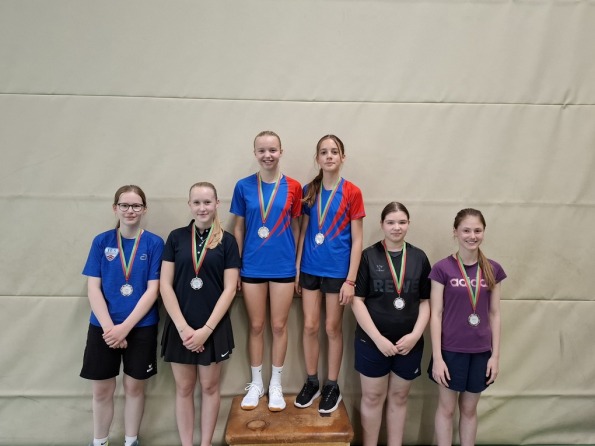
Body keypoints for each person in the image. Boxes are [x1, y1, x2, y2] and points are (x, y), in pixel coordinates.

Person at [81, 185, 164, 446]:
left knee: (134, 388)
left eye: (136, 205)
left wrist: (124, 329)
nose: (130, 210)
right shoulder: (102, 241)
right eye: (125, 205)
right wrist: (110, 329)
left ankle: (131, 441)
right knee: (102, 390)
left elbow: (153, 290)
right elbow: (93, 288)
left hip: (141, 327)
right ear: (115, 208)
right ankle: (100, 442)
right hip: (103, 327)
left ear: (144, 209)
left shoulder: (154, 243)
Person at [160, 182, 240, 446]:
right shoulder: (176, 238)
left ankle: (206, 443)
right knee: (184, 388)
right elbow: (165, 286)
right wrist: (183, 328)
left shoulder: (227, 241)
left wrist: (206, 330)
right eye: (197, 202)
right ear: (189, 205)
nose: (202, 207)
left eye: (207, 202)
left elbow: (230, 289)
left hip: (212, 326)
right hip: (180, 326)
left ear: (217, 204)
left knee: (209, 387)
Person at [230, 130, 302, 412]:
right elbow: (238, 227)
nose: (267, 155)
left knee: (279, 326)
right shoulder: (243, 186)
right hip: (252, 265)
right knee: (256, 326)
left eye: (272, 150)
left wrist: (296, 265)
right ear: (255, 153)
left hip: (283, 266)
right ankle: (257, 383)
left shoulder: (294, 187)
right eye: (262, 150)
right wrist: (237, 265)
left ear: (281, 152)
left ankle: (276, 384)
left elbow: (297, 227)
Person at [294, 134, 365, 413]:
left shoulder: (352, 192)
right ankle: (312, 381)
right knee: (310, 326)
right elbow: (303, 232)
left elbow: (357, 240)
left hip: (338, 271)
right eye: (324, 152)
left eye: (334, 151)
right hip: (310, 268)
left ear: (342, 157)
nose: (329, 156)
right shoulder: (309, 190)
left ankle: (332, 385)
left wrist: (351, 279)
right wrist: (298, 268)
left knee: (332, 328)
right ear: (317, 158)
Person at [352, 202, 431, 446]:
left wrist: (415, 335)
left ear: (408, 224)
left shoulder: (419, 257)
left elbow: (426, 302)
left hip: (409, 344)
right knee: (372, 397)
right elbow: (356, 301)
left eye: (402, 222)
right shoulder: (368, 256)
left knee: (399, 397)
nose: (397, 227)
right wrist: (378, 339)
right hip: (372, 342)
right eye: (391, 222)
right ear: (382, 225)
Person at [428, 208, 506, 446]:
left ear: (484, 232)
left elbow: (495, 314)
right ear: (455, 232)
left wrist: (495, 357)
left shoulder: (492, 269)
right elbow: (436, 314)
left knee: (470, 410)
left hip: (480, 352)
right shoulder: (442, 268)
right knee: (447, 409)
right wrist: (438, 357)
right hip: (450, 351)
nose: (472, 236)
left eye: (477, 230)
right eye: (466, 230)